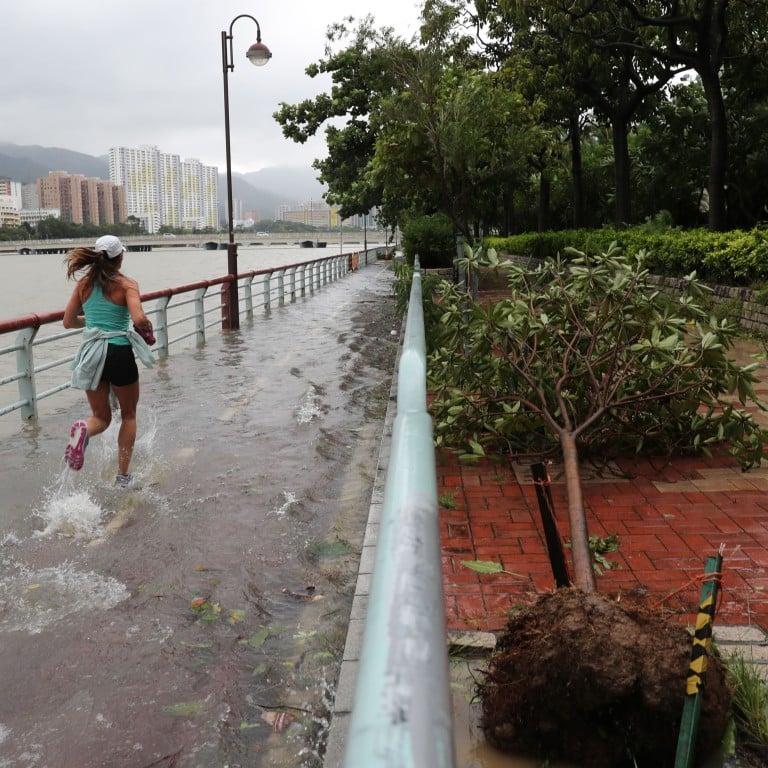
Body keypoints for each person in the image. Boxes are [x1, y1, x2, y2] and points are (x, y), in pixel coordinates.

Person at [62, 235, 155, 487]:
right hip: (119, 352)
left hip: (92, 353)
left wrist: (91, 322)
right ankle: (123, 476)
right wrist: (147, 327)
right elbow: (137, 318)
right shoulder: (127, 284)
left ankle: (83, 428)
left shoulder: (83, 285)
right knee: (129, 415)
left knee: (100, 418)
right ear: (120, 257)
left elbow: (68, 321)